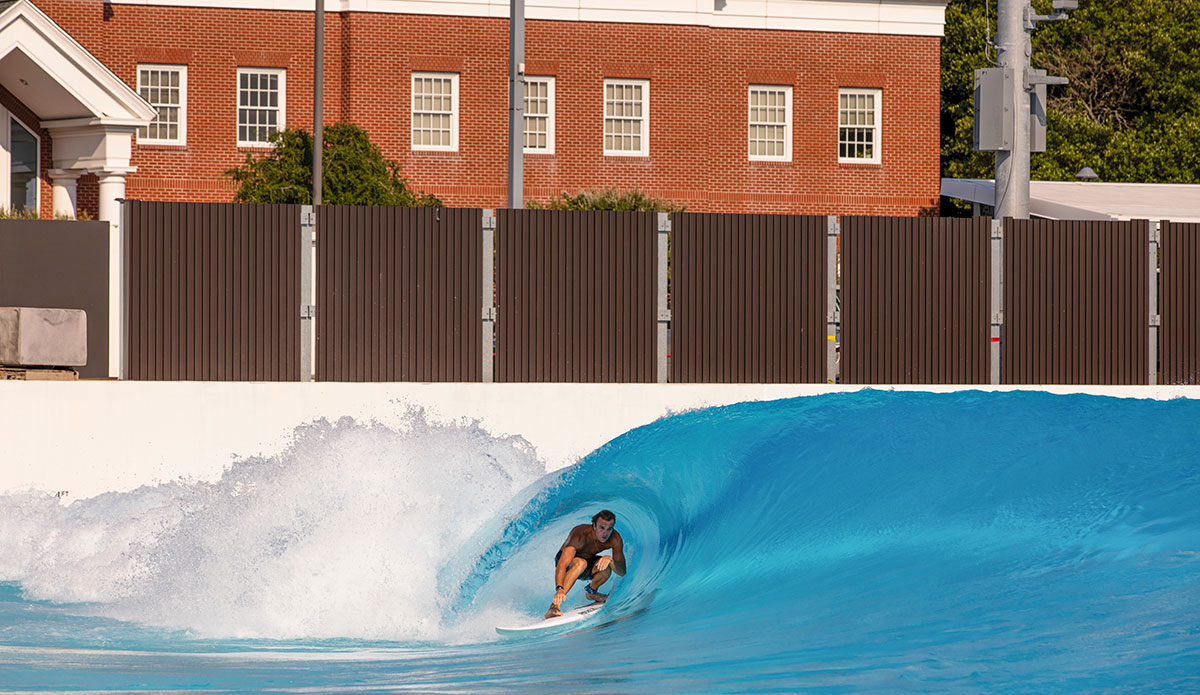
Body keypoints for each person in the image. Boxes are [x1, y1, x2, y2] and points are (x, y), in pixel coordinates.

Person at [545, 509, 626, 619]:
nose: (605, 533)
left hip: (588, 561)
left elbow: (622, 571)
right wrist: (559, 589)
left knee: (606, 567)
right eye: (602, 528)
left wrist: (610, 560)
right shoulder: (580, 534)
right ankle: (554, 607)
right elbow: (562, 565)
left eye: (609, 529)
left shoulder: (615, 539)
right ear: (594, 526)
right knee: (580, 563)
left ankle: (591, 592)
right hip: (568, 561)